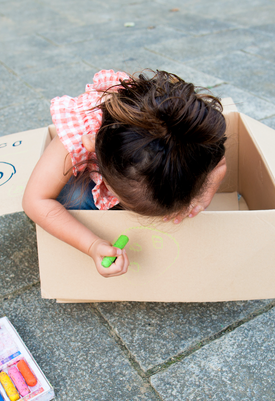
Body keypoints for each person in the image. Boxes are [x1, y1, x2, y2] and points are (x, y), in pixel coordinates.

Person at [22, 69, 227, 278]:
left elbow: (220, 164)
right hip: (87, 179)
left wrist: (202, 197)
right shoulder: (80, 136)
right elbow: (34, 201)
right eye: (126, 202)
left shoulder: (199, 142)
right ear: (94, 149)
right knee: (72, 198)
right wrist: (92, 245)